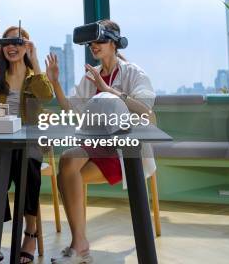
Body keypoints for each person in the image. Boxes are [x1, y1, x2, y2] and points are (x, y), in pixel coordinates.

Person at [45, 19, 156, 264]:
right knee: (67, 162)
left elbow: (148, 115)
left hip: (123, 149)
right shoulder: (90, 75)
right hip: (95, 144)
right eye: (92, 42)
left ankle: (79, 246)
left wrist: (108, 88)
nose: (95, 46)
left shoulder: (134, 73)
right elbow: (70, 107)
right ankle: (80, 244)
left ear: (115, 43)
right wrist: (54, 81)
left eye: (101, 40)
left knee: (69, 174)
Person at [0, 25, 54, 263]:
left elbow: (46, 95)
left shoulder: (33, 78)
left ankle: (30, 231)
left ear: (26, 47)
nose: (11, 47)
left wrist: (36, 62)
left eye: (18, 43)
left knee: (27, 162)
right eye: (6, 43)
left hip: (27, 141)